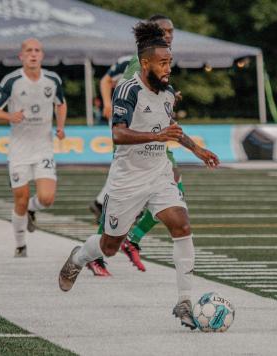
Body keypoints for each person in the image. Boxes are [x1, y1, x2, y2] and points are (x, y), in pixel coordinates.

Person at [58, 21, 220, 331]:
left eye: (169, 61)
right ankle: (78, 258)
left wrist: (196, 149)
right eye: (162, 62)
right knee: (109, 246)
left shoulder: (168, 92)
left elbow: (169, 129)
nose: (167, 67)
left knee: (181, 224)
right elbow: (118, 134)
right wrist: (156, 138)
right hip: (127, 180)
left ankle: (184, 300)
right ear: (145, 63)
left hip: (159, 173)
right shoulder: (127, 89)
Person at [88, 14, 182, 275]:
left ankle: (129, 239)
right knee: (161, 186)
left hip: (155, 135)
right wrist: (107, 103)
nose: (170, 35)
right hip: (139, 135)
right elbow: (124, 89)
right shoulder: (135, 64)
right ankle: (115, 245)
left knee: (171, 186)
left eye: (172, 31)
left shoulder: (162, 61)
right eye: (165, 30)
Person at [0, 38, 67, 257]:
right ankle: (21, 244)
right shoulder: (12, 81)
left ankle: (34, 208)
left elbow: (61, 103)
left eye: (37, 50)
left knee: (47, 199)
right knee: (20, 199)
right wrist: (9, 116)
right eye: (28, 51)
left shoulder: (52, 79)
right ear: (21, 56)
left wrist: (60, 127)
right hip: (19, 151)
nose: (33, 54)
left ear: (42, 55)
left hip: (43, 149)